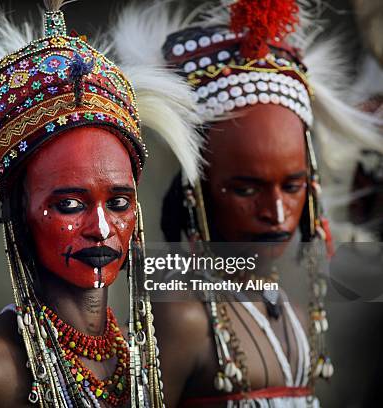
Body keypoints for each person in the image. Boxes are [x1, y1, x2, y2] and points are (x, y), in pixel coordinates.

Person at [0, 1, 201, 406]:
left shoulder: (138, 356)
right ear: (19, 210)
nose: (102, 228)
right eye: (71, 205)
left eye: (119, 202)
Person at [110, 0, 383, 406]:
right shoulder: (182, 317)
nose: (275, 213)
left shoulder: (288, 306)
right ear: (195, 190)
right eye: (245, 189)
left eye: (293, 187)